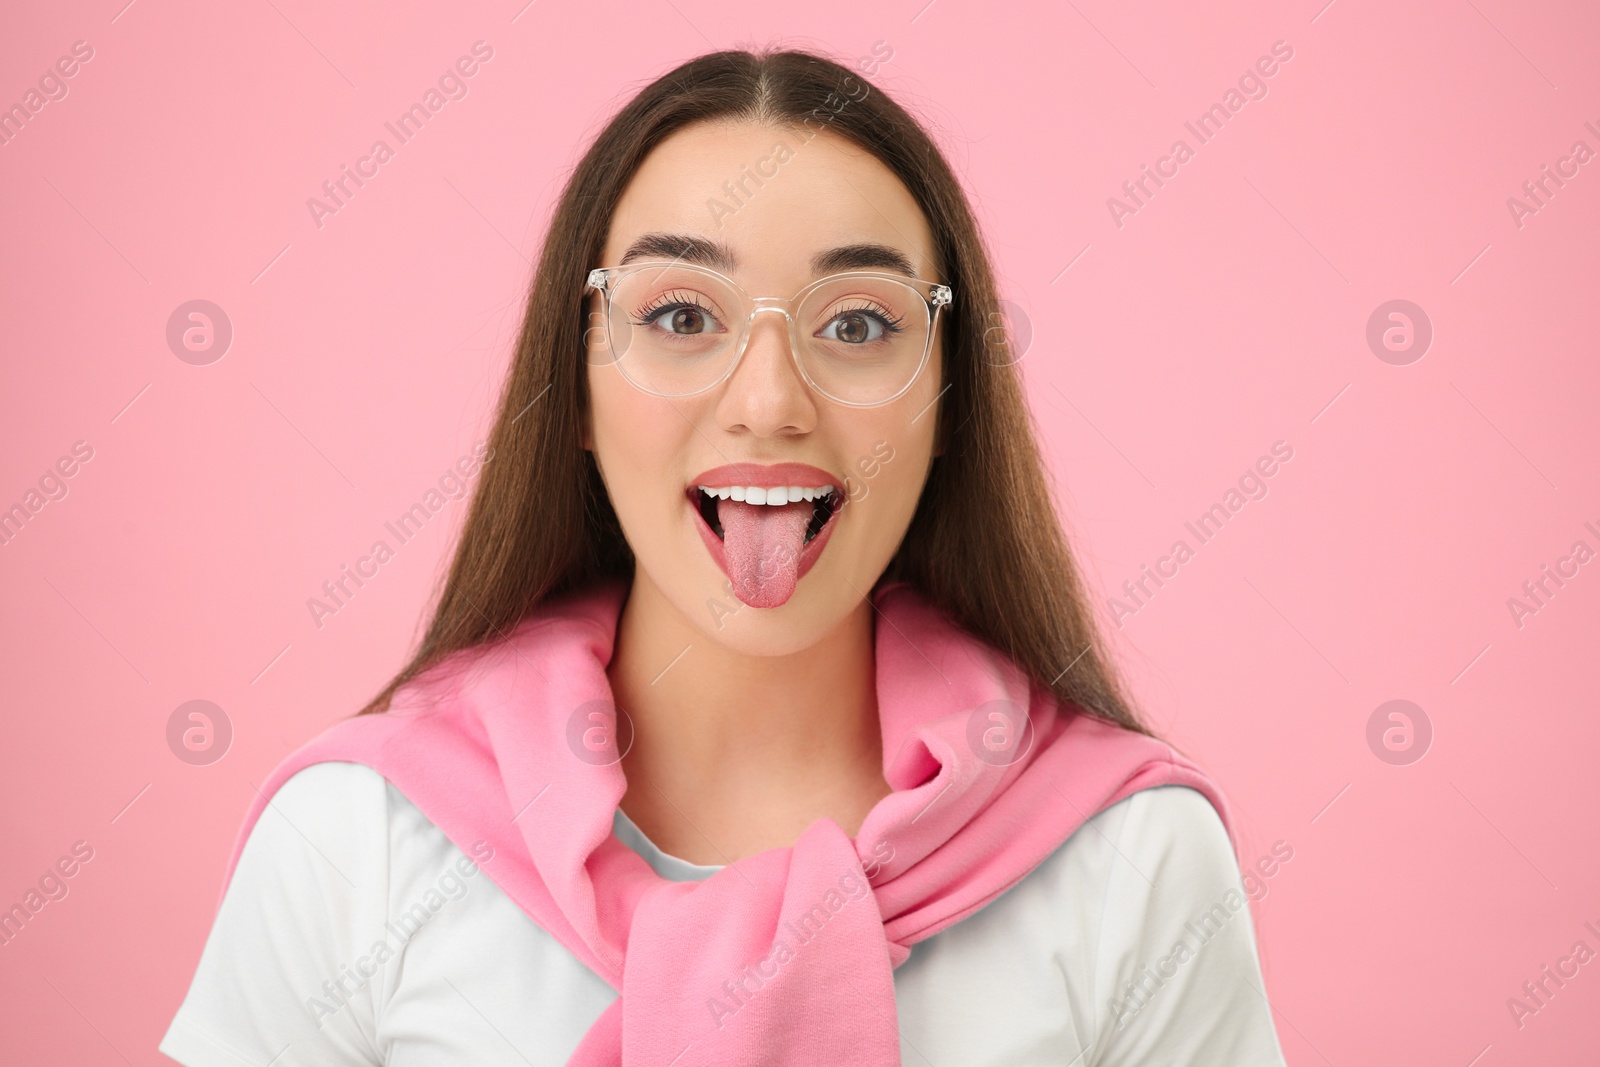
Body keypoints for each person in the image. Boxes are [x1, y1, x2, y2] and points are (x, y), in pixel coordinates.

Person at [160, 47, 1288, 1066]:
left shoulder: (1134, 861)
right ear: (580, 387)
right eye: (681, 315)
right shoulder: (354, 842)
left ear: (948, 401)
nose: (767, 403)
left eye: (855, 324)